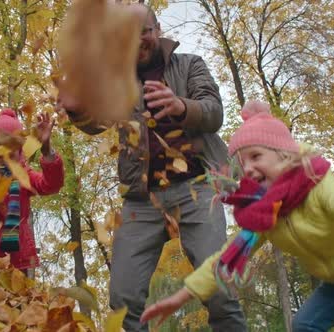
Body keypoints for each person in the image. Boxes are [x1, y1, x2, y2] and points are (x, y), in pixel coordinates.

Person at [61, 4, 246, 331]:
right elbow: (97, 122)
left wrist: (180, 106)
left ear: (157, 30)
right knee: (123, 298)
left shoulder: (189, 65)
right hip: (142, 200)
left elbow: (214, 112)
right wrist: (78, 112)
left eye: (143, 30)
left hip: (198, 189)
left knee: (217, 285)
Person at [141, 101, 334, 331]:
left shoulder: (316, 184)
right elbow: (226, 259)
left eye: (256, 156)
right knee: (304, 325)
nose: (249, 168)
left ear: (284, 154)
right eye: (243, 164)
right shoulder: (264, 214)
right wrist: (182, 296)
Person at [0, 109, 64, 276]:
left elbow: (51, 185)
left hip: (17, 261)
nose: (5, 150)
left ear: (19, 149)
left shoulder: (23, 176)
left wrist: (47, 149)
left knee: (18, 300)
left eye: (11, 144)